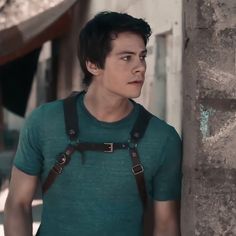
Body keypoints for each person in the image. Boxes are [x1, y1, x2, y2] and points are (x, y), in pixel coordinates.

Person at [4, 11, 182, 236]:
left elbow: (166, 225)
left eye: (142, 56)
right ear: (93, 65)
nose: (140, 67)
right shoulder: (44, 123)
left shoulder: (162, 139)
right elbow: (17, 204)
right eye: (127, 57)